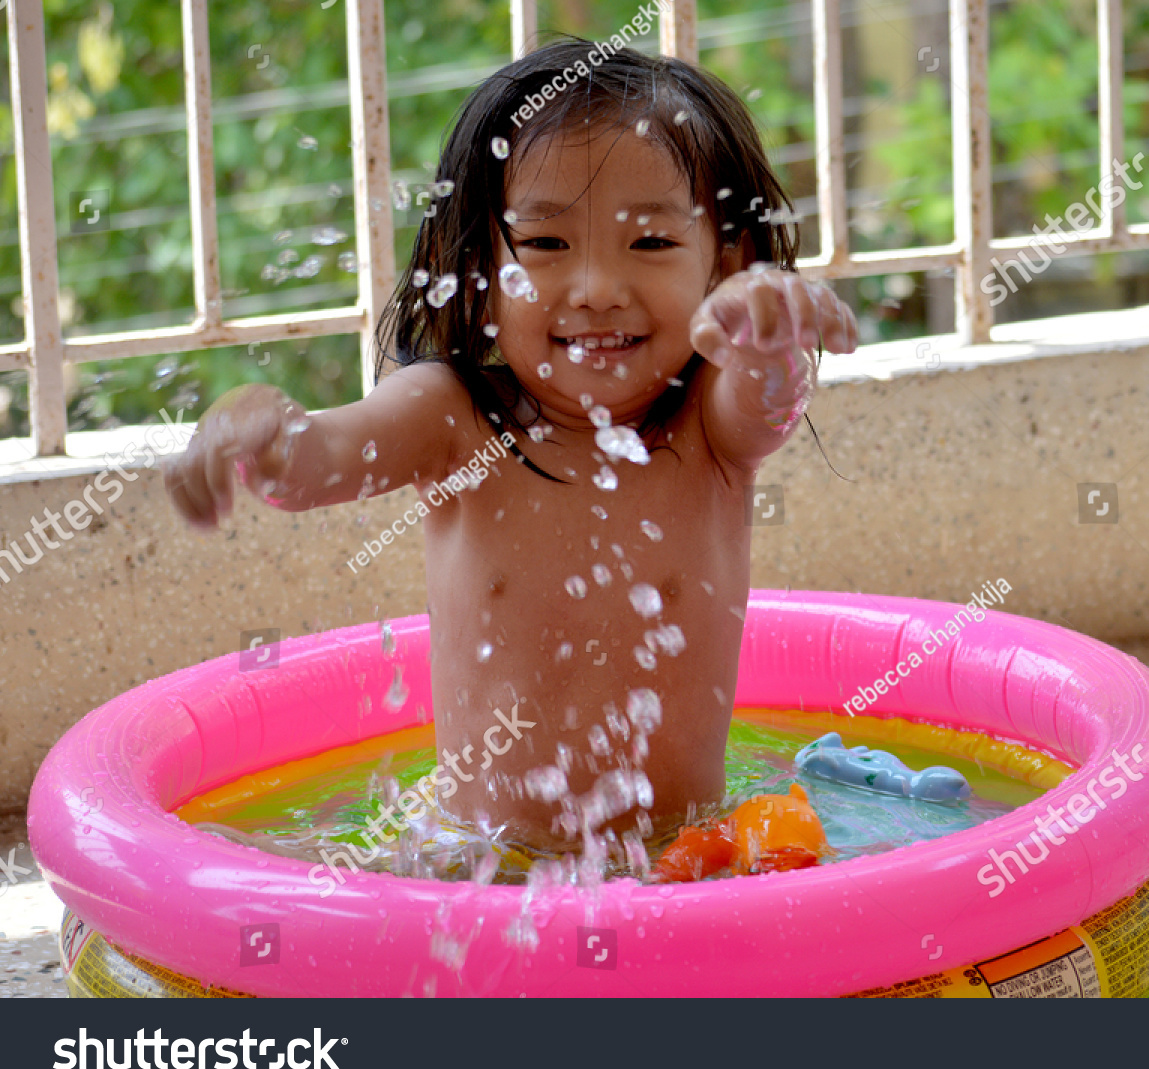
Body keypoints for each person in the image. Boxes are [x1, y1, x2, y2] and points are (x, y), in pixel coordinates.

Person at [163, 40, 857, 859]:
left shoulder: (710, 423)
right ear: (480, 270)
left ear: (724, 264)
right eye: (545, 245)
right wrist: (268, 434)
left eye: (654, 244)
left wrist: (767, 341)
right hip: (481, 865)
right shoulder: (453, 416)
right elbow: (329, 457)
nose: (597, 287)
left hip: (681, 861)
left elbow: (767, 407)